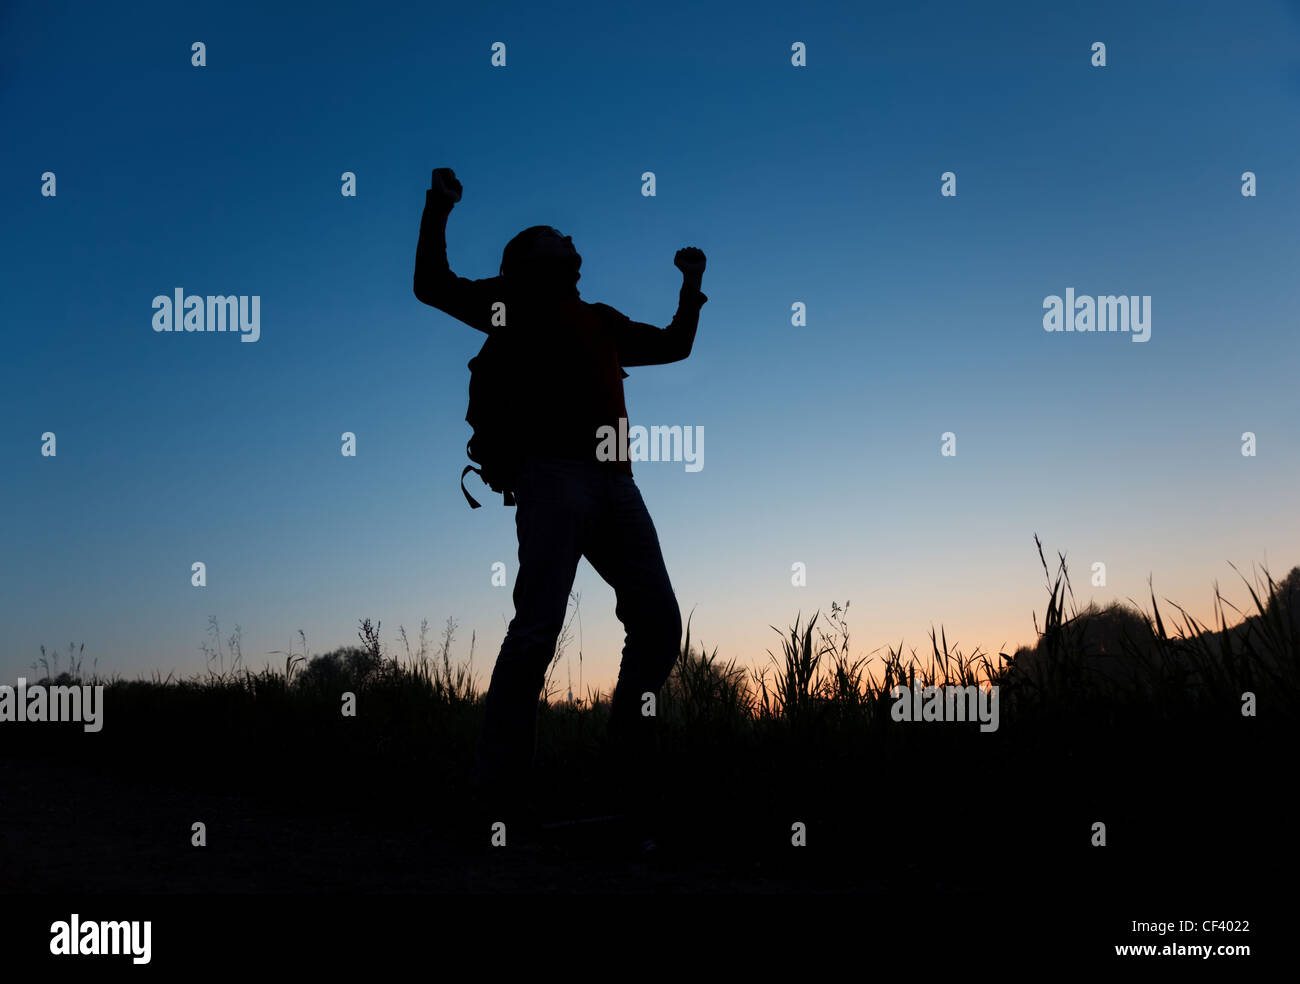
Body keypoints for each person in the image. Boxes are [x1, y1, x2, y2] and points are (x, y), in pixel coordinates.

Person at [412, 167, 708, 842]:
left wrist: (690, 288)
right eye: (555, 235)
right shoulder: (511, 303)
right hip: (553, 480)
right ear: (530, 259)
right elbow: (431, 285)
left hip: (617, 484)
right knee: (538, 630)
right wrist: (439, 206)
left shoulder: (600, 320)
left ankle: (623, 771)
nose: (569, 236)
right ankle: (498, 796)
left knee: (659, 626)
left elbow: (673, 346)